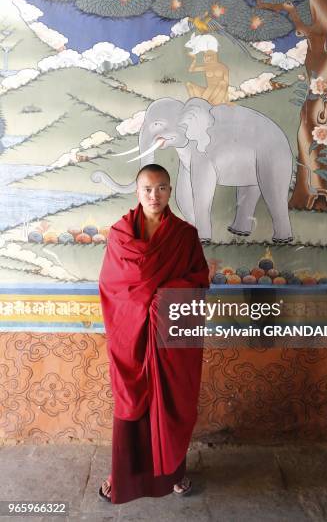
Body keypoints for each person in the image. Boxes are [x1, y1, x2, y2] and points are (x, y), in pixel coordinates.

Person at [98, 164, 209, 504]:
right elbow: (111, 285)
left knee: (170, 401)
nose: (154, 195)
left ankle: (173, 472)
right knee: (132, 403)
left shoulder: (184, 235)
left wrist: (160, 299)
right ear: (137, 192)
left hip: (167, 339)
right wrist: (142, 303)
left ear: (170, 192)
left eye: (161, 188)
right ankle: (122, 475)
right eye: (147, 189)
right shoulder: (120, 235)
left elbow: (198, 280)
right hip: (130, 336)